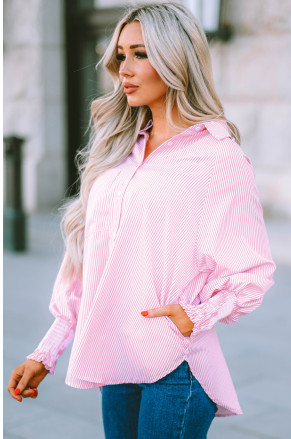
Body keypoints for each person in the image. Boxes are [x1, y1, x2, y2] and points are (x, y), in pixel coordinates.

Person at [8, 2, 276, 438]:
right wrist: (47, 350)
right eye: (120, 54)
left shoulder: (219, 157)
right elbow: (90, 261)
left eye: (140, 53)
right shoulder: (118, 150)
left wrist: (198, 313)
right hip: (116, 360)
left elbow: (252, 271)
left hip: (175, 366)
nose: (123, 69)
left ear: (177, 59)